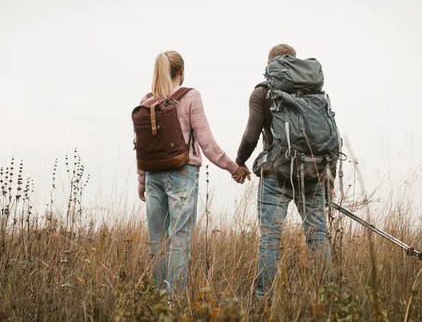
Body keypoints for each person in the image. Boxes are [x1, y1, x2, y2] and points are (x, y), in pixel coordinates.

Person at [135, 50, 249, 293]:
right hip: (182, 174)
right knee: (179, 240)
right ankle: (174, 303)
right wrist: (233, 168)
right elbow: (207, 143)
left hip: (154, 176)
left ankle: (158, 298)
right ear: (182, 71)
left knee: (157, 240)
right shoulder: (190, 97)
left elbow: (141, 148)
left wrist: (142, 183)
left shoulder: (146, 101)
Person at [235, 44, 333, 298]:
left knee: (270, 239)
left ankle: (263, 299)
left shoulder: (262, 92)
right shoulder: (315, 92)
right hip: (313, 173)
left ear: (270, 65)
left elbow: (251, 135)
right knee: (318, 237)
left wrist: (240, 161)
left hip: (275, 174)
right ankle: (329, 298)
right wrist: (328, 180)